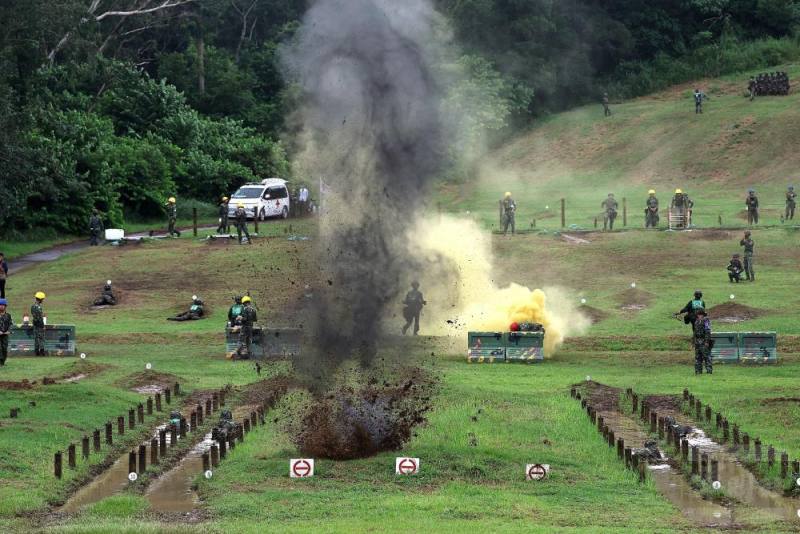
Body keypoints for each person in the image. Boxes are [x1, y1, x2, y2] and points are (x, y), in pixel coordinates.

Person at [693, 308, 713, 375]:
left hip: (704, 341)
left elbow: (707, 331)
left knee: (706, 356)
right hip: (697, 341)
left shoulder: (706, 320)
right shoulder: (696, 321)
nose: (699, 316)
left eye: (700, 314)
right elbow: (695, 332)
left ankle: (709, 371)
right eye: (698, 314)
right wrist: (694, 341)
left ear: (703, 315)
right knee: (698, 357)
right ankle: (698, 371)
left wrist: (707, 341)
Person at [31, 292, 46, 356]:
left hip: (34, 324)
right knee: (41, 338)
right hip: (39, 324)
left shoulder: (32, 306)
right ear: (40, 299)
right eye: (42, 299)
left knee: (36, 338)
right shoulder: (39, 308)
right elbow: (40, 318)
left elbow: (33, 315)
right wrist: (43, 326)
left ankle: (36, 352)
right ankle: (42, 352)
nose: (43, 300)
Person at [0, 299, 11, 366]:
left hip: (5, 335)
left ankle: (3, 361)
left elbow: (10, 324)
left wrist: (8, 331)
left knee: (4, 349)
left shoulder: (8, 315)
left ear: (5, 306)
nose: (1, 306)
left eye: (3, 305)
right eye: (0, 305)